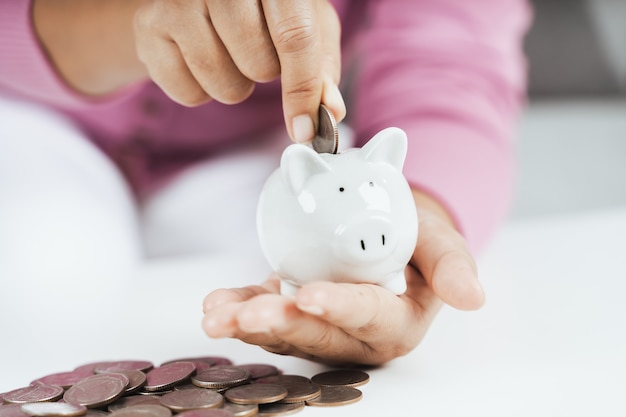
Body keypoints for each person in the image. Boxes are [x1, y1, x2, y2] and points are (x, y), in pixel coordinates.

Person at [0, 0, 531, 365]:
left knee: (289, 304)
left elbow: (453, 56)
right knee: (38, 274)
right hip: (31, 116)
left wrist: (421, 209)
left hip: (250, 141)